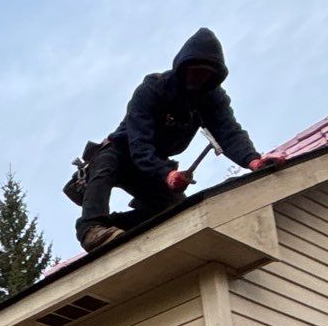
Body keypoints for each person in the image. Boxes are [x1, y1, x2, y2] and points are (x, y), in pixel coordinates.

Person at [74, 27, 280, 251]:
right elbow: (139, 145)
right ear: (182, 68)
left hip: (152, 164)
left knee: (176, 209)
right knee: (105, 163)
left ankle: (116, 229)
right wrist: (167, 173)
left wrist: (254, 161)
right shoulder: (152, 89)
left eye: (205, 74)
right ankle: (92, 228)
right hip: (124, 151)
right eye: (194, 71)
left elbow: (229, 133)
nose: (198, 78)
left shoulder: (211, 99)